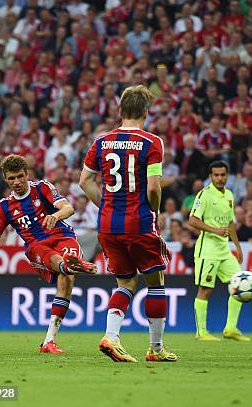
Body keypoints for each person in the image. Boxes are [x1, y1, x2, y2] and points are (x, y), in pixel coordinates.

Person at [79, 84, 177, 363]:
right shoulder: (151, 142)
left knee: (125, 282)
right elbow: (154, 188)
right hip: (139, 222)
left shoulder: (101, 141)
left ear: (120, 110)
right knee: (156, 281)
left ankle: (111, 336)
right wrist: (154, 212)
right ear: (146, 112)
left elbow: (84, 181)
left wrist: (106, 204)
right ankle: (156, 349)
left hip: (108, 225)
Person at [0, 154, 96, 354]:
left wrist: (55, 215)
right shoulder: (4, 207)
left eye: (20, 176)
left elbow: (68, 208)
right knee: (62, 265)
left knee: (67, 279)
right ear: (5, 178)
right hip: (37, 247)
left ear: (27, 174)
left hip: (63, 236)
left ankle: (49, 341)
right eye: (11, 178)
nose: (17, 182)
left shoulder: (42, 188)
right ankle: (70, 265)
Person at [189, 160, 248, 341]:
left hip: (224, 250)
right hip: (207, 250)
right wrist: (215, 230)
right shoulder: (204, 195)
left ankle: (230, 328)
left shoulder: (229, 195)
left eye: (223, 175)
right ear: (210, 176)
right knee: (205, 290)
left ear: (227, 176)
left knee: (240, 286)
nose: (220, 178)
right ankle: (202, 332)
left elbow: (230, 223)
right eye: (216, 175)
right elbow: (192, 220)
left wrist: (237, 247)